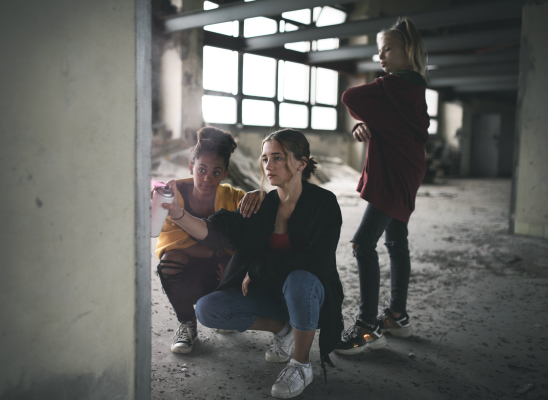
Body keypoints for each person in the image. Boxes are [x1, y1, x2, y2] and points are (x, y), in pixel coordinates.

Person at [160, 129, 344, 399]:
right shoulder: (261, 204)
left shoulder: (324, 203)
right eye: (265, 158)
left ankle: (301, 364)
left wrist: (254, 267)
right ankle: (284, 330)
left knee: (299, 278)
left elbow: (316, 261)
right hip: (272, 295)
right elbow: (215, 232)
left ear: (301, 163)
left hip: (309, 295)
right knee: (209, 308)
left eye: (278, 158)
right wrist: (177, 213)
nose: (269, 166)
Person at [334, 17, 430, 355]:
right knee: (396, 239)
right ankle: (397, 316)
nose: (381, 57)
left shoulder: (396, 87)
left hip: (394, 175)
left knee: (363, 243)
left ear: (409, 50)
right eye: (379, 51)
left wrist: (364, 118)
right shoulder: (412, 88)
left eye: (388, 48)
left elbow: (350, 96)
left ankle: (366, 327)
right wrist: (364, 124)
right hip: (408, 170)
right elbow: (384, 122)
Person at [155, 126, 259, 354]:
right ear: (191, 166)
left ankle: (223, 312)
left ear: (225, 173)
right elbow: (170, 245)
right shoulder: (172, 196)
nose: (207, 178)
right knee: (169, 262)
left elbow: (250, 239)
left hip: (223, 275)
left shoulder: (234, 198)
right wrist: (218, 253)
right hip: (191, 275)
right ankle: (187, 325)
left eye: (215, 172)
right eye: (201, 169)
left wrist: (260, 195)